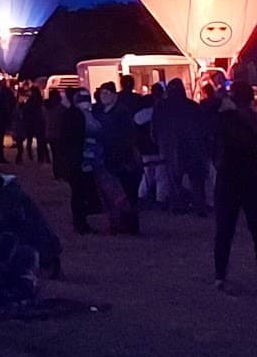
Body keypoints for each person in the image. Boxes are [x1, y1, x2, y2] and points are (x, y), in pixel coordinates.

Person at [213, 80, 257, 289]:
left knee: (224, 230)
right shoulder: (252, 120)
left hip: (227, 179)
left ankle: (220, 275)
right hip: (251, 178)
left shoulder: (222, 120)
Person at [0, 171, 62, 275]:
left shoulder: (10, 200)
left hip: (37, 244)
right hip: (34, 241)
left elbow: (15, 226)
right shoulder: (6, 196)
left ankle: (45, 261)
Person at [154, 77, 211, 214]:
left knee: (174, 178)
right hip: (193, 146)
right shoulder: (193, 106)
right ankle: (199, 206)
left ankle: (177, 206)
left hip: (171, 147)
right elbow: (204, 128)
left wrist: (160, 143)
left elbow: (155, 128)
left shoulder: (161, 106)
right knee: (196, 179)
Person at [93, 83, 141, 233]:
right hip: (105, 156)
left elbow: (128, 135)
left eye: (107, 93)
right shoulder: (100, 112)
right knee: (109, 195)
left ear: (114, 94)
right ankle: (115, 223)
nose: (104, 96)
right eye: (102, 93)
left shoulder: (122, 112)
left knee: (127, 193)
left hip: (121, 158)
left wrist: (126, 154)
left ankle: (130, 225)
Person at [56, 89, 102, 233]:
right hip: (80, 160)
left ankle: (81, 221)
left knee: (80, 192)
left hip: (78, 159)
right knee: (80, 193)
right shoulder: (80, 116)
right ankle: (81, 223)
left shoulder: (73, 115)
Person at [15, 85, 47, 166]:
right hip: (37, 122)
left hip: (32, 122)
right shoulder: (39, 101)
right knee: (39, 141)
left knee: (31, 140)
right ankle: (39, 157)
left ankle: (32, 156)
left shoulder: (31, 101)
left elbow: (25, 111)